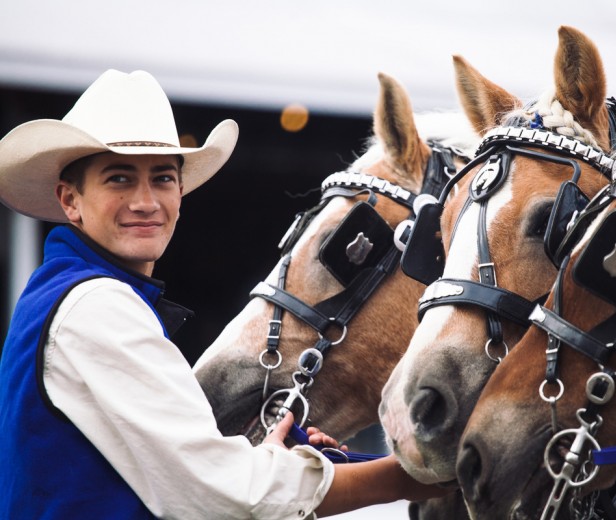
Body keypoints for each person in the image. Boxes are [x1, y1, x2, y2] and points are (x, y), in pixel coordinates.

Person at [0, 69, 447, 519]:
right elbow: (223, 497)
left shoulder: (67, 293)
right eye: (119, 178)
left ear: (180, 191)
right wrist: (410, 475)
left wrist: (289, 465)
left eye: (162, 178)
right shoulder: (96, 305)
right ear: (69, 199)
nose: (145, 201)